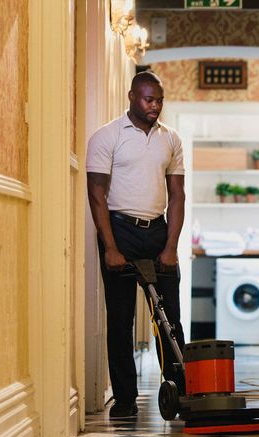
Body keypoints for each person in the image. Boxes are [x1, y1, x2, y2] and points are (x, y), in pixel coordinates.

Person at [86, 71, 186, 417]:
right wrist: (110, 247)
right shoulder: (107, 136)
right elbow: (97, 194)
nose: (155, 106)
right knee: (121, 318)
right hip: (120, 229)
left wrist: (171, 246)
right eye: (148, 99)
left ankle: (181, 391)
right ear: (132, 97)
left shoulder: (170, 138)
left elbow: (177, 194)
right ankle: (126, 400)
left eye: (159, 100)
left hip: (157, 231)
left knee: (169, 317)